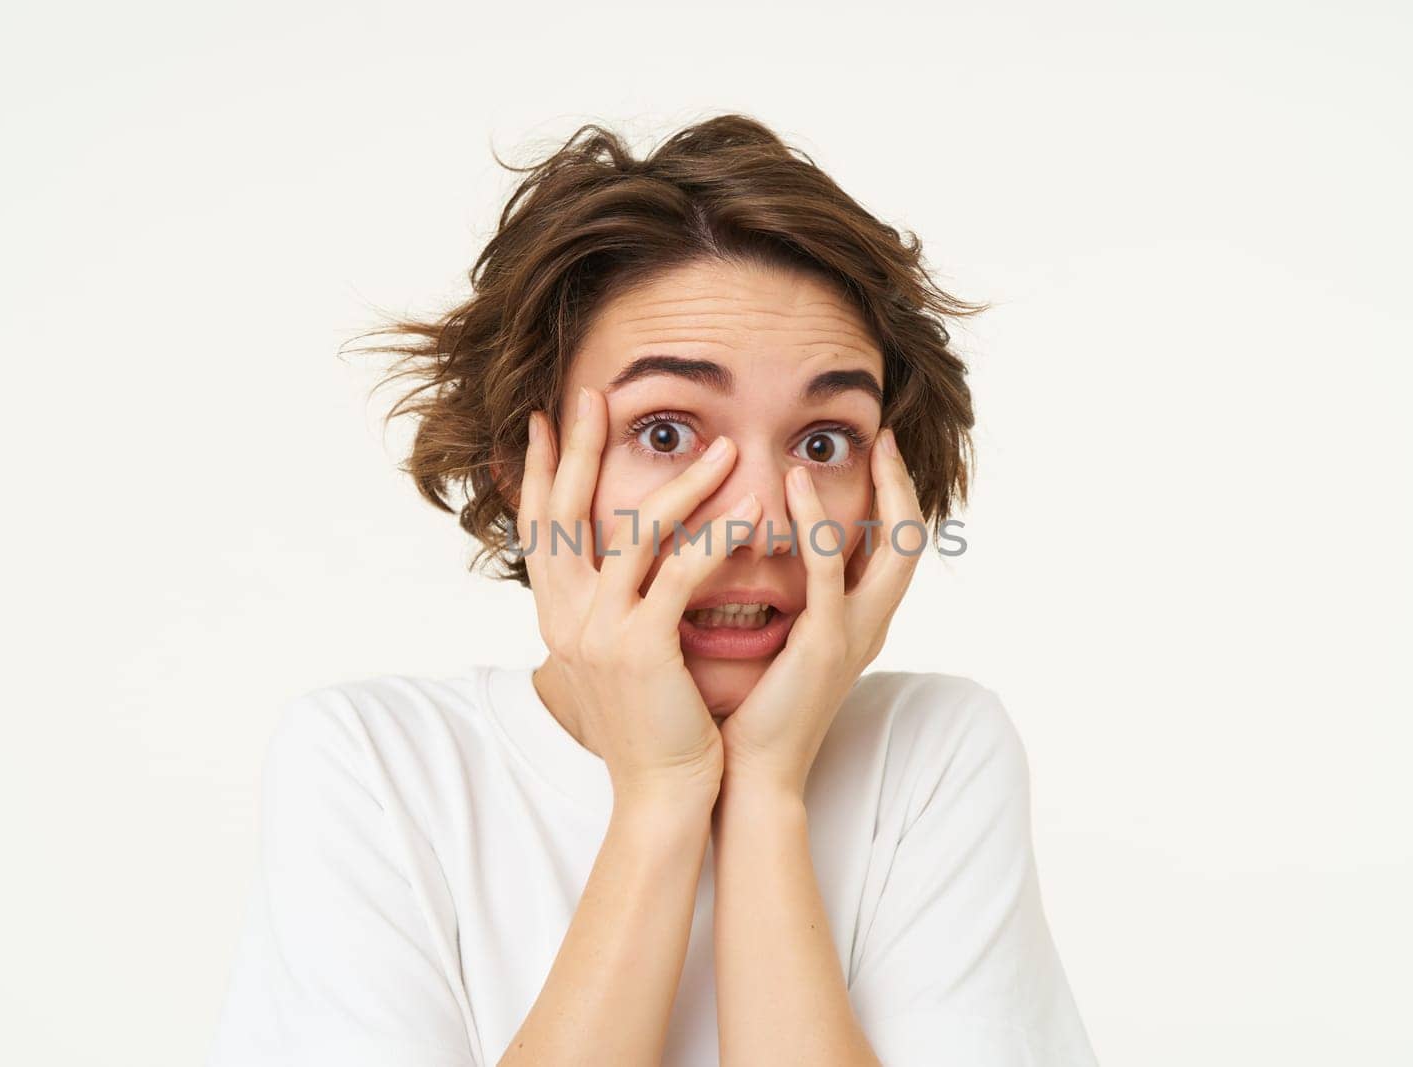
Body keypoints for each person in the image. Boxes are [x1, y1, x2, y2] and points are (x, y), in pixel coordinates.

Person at [207, 113, 1098, 1067]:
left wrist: (764, 794)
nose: (758, 519)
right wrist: (662, 798)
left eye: (823, 441)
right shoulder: (378, 768)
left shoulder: (930, 754)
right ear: (524, 465)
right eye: (666, 432)